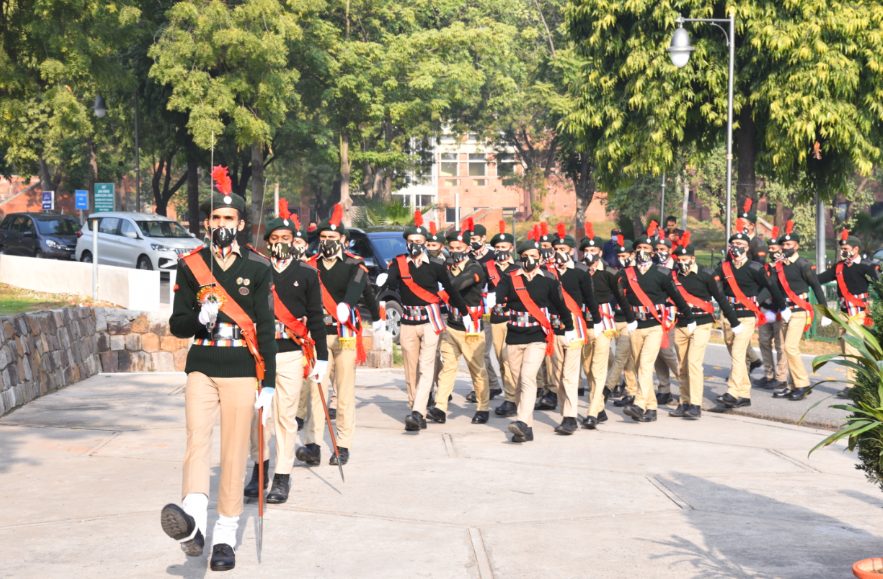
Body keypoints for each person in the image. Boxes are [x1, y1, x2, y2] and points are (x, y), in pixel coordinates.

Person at [161, 167, 277, 572]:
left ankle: (225, 535)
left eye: (229, 219)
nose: (222, 225)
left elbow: (265, 327)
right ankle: (192, 519)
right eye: (215, 219)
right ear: (206, 223)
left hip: (242, 369)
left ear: (241, 225)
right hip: (203, 366)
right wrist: (200, 316)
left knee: (231, 453)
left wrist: (270, 382)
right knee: (196, 439)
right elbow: (177, 325)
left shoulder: (259, 268)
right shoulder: (192, 265)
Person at [244, 206, 327, 505]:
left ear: (294, 240)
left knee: (285, 417)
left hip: (291, 353)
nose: (280, 241)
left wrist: (323, 358)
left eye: (286, 236)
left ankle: (282, 476)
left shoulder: (306, 272)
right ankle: (259, 469)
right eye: (275, 237)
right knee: (259, 416)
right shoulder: (257, 270)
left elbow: (316, 317)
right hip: (260, 355)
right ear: (267, 241)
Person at [380, 210, 466, 432]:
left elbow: (449, 289)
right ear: (406, 243)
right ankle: (414, 407)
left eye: (419, 241)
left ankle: (418, 411)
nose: (415, 245)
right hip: (408, 321)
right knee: (410, 368)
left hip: (430, 320)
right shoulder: (399, 264)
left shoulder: (436, 266)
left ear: (426, 243)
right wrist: (381, 293)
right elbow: (389, 283)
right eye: (411, 241)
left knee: (427, 366)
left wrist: (463, 310)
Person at [296, 204, 368, 467]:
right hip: (317, 335)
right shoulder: (309, 266)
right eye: (324, 238)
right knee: (317, 391)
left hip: (344, 335)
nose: (327, 242)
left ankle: (343, 444)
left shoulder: (353, 264)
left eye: (333, 239)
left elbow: (359, 285)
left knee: (344, 391)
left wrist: (347, 304)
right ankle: (313, 444)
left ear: (343, 241)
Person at [495, 234, 573, 442]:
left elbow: (560, 305)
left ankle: (521, 420)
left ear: (540, 257)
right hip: (514, 336)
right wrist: (498, 306)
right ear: (520, 257)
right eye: (526, 255)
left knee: (529, 377)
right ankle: (526, 428)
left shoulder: (547, 279)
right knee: (519, 381)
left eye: (534, 255)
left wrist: (569, 328)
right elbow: (499, 299)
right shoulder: (510, 278)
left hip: (537, 337)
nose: (530, 259)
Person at [617, 222, 695, 423]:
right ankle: (651, 409)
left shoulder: (662, 273)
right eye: (639, 249)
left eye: (646, 249)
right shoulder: (627, 274)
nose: (642, 252)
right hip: (636, 325)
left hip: (654, 325)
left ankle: (639, 404)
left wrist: (689, 317)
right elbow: (620, 297)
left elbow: (676, 297)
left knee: (645, 365)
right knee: (637, 366)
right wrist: (629, 318)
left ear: (652, 252)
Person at [711, 219, 785, 412]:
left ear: (747, 248)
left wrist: (782, 307)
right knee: (736, 353)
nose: (737, 248)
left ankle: (732, 392)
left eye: (741, 245)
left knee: (737, 352)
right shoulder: (724, 266)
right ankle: (744, 394)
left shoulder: (755, 267)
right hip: (728, 315)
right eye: (734, 244)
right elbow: (714, 286)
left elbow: (771, 287)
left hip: (746, 315)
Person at [669, 232, 741, 418]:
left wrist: (734, 322)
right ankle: (683, 402)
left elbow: (721, 299)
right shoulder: (673, 276)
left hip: (701, 323)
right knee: (682, 366)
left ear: (693, 258)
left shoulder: (706, 275)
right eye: (679, 258)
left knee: (694, 363)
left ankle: (695, 404)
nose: (682, 262)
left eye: (685, 258)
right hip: (681, 323)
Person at [430, 220, 491, 424]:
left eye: (459, 247)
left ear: (467, 248)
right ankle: (440, 407)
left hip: (471, 328)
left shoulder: (476, 268)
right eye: (452, 248)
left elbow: (458, 284)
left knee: (476, 369)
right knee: (448, 366)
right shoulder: (447, 266)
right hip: (452, 324)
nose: (455, 251)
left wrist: (438, 290)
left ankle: (483, 406)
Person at [547, 223, 601, 434]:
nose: (559, 253)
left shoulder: (579, 272)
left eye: (563, 250)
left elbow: (590, 300)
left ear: (571, 251)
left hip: (575, 328)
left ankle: (570, 417)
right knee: (558, 375)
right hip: (554, 328)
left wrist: (594, 323)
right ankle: (565, 412)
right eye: (556, 250)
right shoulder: (547, 272)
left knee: (570, 375)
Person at [579, 223, 633, 429]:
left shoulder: (610, 272)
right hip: (584, 325)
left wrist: (631, 319)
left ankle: (592, 412)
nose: (590, 254)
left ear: (601, 252)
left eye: (594, 251)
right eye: (587, 251)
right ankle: (600, 409)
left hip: (603, 323)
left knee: (598, 367)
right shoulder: (578, 270)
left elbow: (620, 296)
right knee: (587, 368)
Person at [769, 221, 828, 401]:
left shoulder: (803, 264)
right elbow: (775, 288)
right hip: (785, 310)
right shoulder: (778, 265)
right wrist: (781, 307)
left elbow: (816, 287)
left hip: (800, 310)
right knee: (784, 349)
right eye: (783, 245)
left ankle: (803, 384)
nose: (785, 247)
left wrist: (825, 313)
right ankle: (792, 385)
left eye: (789, 245)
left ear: (797, 246)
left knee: (790, 347)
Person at [818, 228, 880, 398]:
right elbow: (819, 279)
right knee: (846, 347)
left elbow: (878, 286)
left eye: (845, 249)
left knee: (853, 347)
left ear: (855, 250)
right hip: (844, 312)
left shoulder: (866, 267)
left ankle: (854, 385)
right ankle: (858, 380)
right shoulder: (838, 268)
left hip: (860, 313)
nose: (842, 252)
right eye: (841, 249)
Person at [486, 221, 519, 418]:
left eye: (504, 247)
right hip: (497, 319)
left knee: (511, 360)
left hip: (515, 320)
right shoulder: (486, 269)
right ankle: (511, 394)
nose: (500, 251)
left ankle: (512, 398)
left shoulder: (518, 268)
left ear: (511, 248)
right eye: (497, 247)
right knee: (500, 358)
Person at [755, 227, 789, 391]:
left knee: (781, 345)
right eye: (770, 249)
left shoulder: (785, 268)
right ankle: (769, 374)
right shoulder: (766, 267)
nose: (771, 251)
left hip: (780, 310)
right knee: (763, 342)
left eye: (774, 249)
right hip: (766, 310)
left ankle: (781, 377)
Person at [606, 235, 639, 407]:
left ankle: (608, 388)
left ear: (633, 255)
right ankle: (631, 391)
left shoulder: (637, 273)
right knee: (627, 360)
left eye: (625, 256)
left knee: (622, 356)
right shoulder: (617, 273)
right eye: (619, 256)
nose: (622, 259)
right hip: (617, 318)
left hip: (631, 320)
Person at [652, 233, 679, 405]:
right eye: (657, 249)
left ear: (670, 250)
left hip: (672, 313)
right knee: (657, 354)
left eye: (663, 249)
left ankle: (684, 382)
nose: (659, 252)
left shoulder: (676, 267)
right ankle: (664, 388)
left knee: (667, 350)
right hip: (656, 311)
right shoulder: (653, 266)